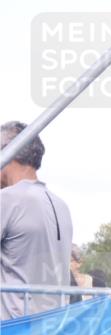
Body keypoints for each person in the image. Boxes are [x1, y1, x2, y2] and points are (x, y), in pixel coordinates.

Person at [0, 121, 74, 320]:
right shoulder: (61, 205)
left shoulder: (7, 200)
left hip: (13, 333)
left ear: (8, 152)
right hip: (53, 326)